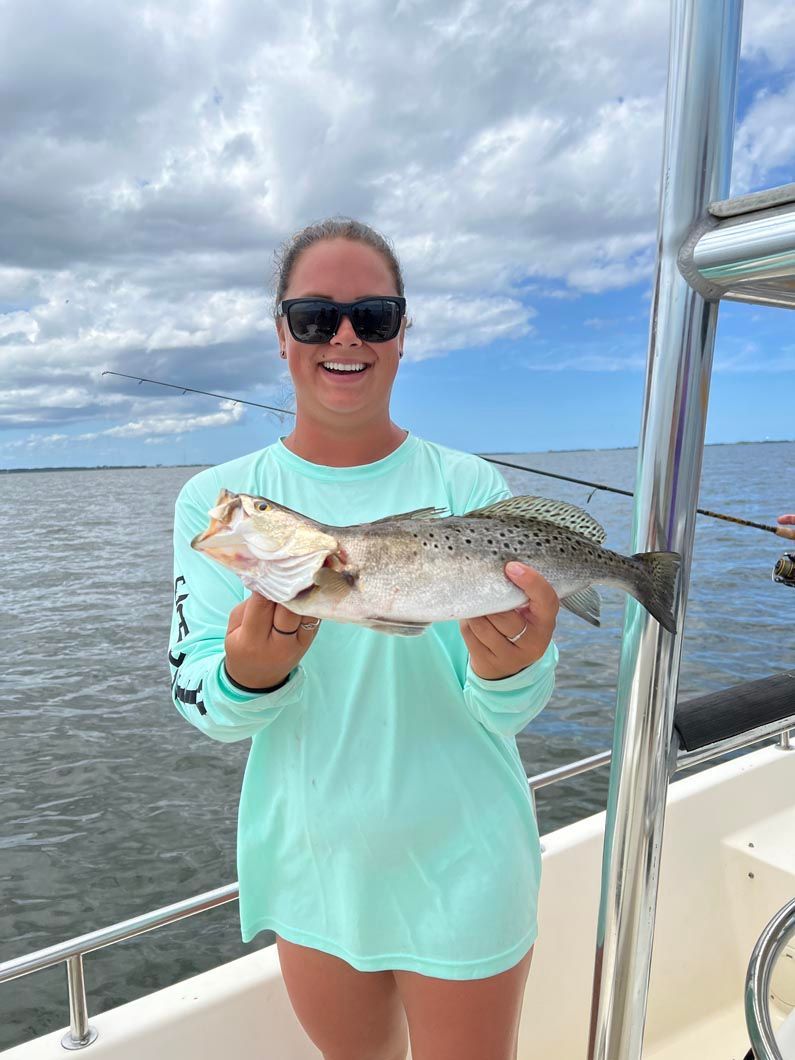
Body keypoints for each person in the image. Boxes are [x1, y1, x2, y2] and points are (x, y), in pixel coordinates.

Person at [168, 218, 559, 1060]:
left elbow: (512, 709)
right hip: (312, 862)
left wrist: (512, 671)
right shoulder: (217, 501)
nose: (343, 337)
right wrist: (250, 674)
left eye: (372, 316)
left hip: (466, 855)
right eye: (314, 317)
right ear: (281, 335)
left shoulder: (467, 485)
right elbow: (202, 700)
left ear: (401, 334)